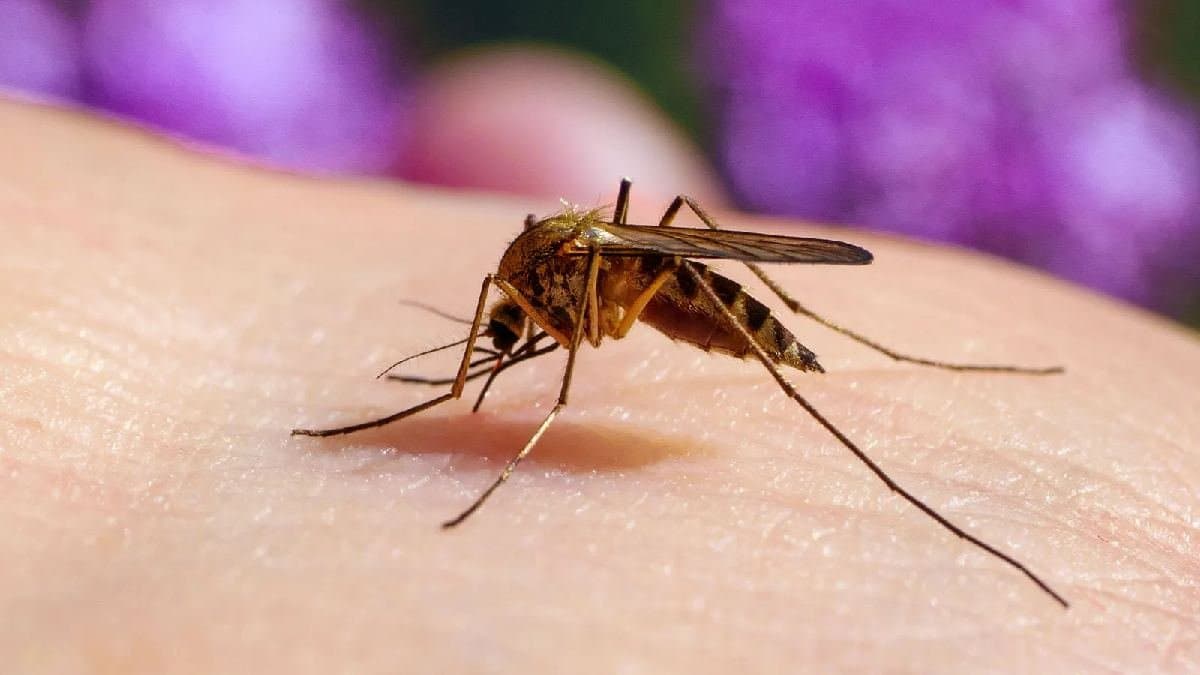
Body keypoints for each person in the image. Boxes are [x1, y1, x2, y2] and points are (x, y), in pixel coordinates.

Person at [2, 52, 1196, 673]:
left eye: (506, 338)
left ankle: (889, 405)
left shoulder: (567, 277)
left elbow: (586, 295)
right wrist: (466, 372)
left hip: (672, 280)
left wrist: (507, 438)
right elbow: (507, 297)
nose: (508, 333)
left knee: (674, 237)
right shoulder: (520, 276)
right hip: (624, 268)